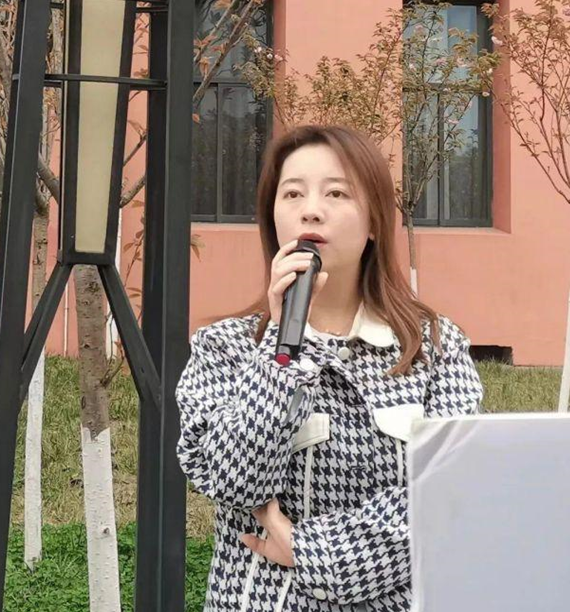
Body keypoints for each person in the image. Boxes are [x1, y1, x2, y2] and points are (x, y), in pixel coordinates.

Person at [174, 124, 484, 612]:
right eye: (292, 193)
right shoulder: (225, 347)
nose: (311, 210)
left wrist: (313, 552)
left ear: (374, 221)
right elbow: (232, 482)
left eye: (336, 193)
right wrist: (282, 352)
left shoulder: (434, 347)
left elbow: (454, 492)